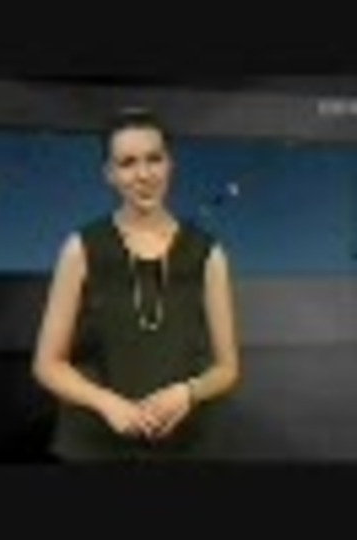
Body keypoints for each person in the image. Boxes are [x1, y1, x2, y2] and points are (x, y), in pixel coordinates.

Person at [31, 107, 241, 461]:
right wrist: (107, 403)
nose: (143, 175)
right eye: (127, 163)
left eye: (154, 159)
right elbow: (47, 364)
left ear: (170, 164)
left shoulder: (208, 254)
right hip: (95, 447)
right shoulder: (81, 249)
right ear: (109, 174)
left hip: (187, 446)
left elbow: (227, 369)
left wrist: (186, 393)